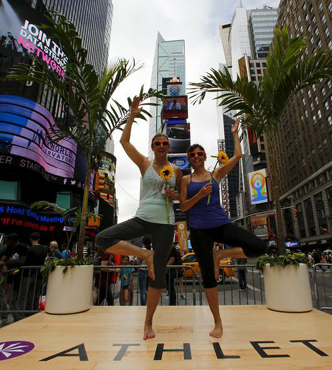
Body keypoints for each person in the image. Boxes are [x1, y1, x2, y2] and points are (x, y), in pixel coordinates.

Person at [96, 97, 182, 340]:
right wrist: (132, 115)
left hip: (165, 222)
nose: (162, 145)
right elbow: (124, 141)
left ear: (169, 146)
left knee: (158, 275)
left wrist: (174, 194)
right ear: (153, 147)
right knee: (103, 238)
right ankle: (145, 254)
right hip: (143, 217)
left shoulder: (176, 170)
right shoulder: (144, 163)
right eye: (158, 143)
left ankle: (148, 323)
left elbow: (182, 198)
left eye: (165, 142)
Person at [179, 118, 267, 338]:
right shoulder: (186, 181)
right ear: (189, 159)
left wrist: (235, 133)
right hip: (198, 230)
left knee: (258, 246)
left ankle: (221, 254)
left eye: (200, 153)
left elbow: (237, 156)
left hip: (221, 224)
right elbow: (183, 206)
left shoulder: (215, 174)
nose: (197, 156)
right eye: (193, 154)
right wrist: (199, 195)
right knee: (208, 278)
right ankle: (217, 322)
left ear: (204, 156)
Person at [0, 233, 28, 324]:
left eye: (7, 240)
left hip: (22, 275)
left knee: (17, 298)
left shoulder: (22, 247)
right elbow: (3, 259)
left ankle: (20, 319)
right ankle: (18, 319)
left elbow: (22, 262)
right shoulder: (9, 247)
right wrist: (2, 263)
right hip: (11, 275)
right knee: (10, 298)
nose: (6, 241)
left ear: (12, 240)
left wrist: (5, 264)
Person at [23, 232, 48, 313]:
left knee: (29, 293)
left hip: (30, 273)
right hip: (40, 272)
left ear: (30, 239)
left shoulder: (30, 249)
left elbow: (27, 261)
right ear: (39, 238)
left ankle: (28, 310)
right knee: (37, 293)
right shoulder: (44, 249)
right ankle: (34, 309)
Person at [137, 236, 152, 306]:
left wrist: (137, 269)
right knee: (149, 290)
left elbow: (139, 262)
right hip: (150, 271)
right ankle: (149, 304)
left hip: (142, 271)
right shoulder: (152, 250)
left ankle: (143, 306)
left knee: (142, 291)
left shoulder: (142, 250)